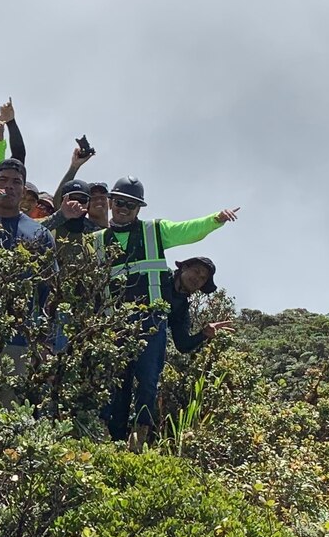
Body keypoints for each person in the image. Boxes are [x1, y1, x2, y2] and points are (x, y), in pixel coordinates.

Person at [97, 179, 239, 447]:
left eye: (131, 204)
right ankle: (107, 436)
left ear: (139, 209)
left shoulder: (154, 232)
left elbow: (187, 230)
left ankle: (137, 440)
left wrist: (215, 220)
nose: (124, 208)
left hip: (151, 322)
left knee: (148, 382)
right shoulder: (97, 241)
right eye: (119, 202)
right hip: (112, 322)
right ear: (111, 203)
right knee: (116, 381)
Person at [165, 256, 233, 354]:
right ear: (184, 268)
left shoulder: (181, 311)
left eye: (203, 278)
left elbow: (183, 345)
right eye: (196, 271)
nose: (197, 278)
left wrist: (204, 334)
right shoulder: (160, 274)